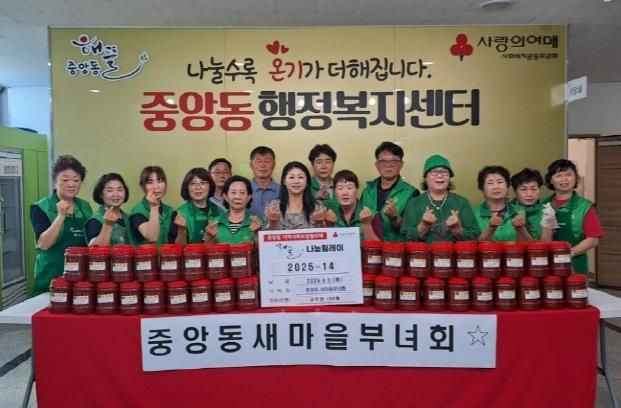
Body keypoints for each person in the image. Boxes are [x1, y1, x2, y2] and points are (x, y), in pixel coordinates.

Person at [30, 155, 92, 295]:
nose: (71, 184)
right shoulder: (41, 207)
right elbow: (44, 244)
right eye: (65, 180)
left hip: (80, 277)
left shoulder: (85, 207)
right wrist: (61, 216)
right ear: (55, 181)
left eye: (76, 180)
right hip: (50, 276)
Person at [542, 159, 604, 274]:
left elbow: (593, 239)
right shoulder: (542, 205)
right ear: (551, 180)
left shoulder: (584, 206)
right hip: (545, 266)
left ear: (576, 178)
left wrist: (568, 254)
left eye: (569, 174)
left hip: (574, 266)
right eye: (559, 175)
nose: (564, 179)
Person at [401, 155, 479, 243]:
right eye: (434, 172)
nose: (440, 175)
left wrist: (458, 230)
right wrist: (423, 226)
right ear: (425, 177)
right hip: (423, 252)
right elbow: (404, 239)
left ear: (449, 177)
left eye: (444, 172)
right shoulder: (414, 203)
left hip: (454, 252)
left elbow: (475, 238)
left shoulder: (462, 202)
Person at [360, 141, 419, 241]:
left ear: (401, 164)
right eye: (383, 161)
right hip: (369, 247)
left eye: (393, 161)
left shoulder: (411, 193)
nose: (388, 165)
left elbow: (412, 231)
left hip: (396, 248)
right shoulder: (367, 191)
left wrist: (394, 217)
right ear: (376, 165)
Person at [264, 161, 327, 230]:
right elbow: (265, 235)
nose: (296, 181)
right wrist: (273, 224)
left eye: (300, 177)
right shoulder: (273, 207)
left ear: (307, 182)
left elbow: (324, 234)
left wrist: (319, 224)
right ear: (284, 181)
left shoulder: (317, 207)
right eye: (291, 177)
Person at [473, 165, 528, 242]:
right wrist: (491, 228)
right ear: (482, 189)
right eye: (490, 183)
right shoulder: (473, 213)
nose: (496, 187)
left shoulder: (521, 211)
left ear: (507, 186)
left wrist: (520, 228)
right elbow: (473, 244)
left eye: (500, 182)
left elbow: (530, 244)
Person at [204, 175, 263, 244]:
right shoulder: (214, 223)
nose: (238, 197)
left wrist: (257, 235)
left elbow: (264, 249)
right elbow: (206, 249)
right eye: (233, 192)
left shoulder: (258, 223)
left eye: (242, 193)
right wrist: (209, 237)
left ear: (248, 197)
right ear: (225, 196)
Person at [324, 170, 380, 241]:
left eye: (349, 188)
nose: (345, 193)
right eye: (340, 188)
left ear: (356, 189)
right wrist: (329, 226)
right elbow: (323, 245)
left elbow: (377, 246)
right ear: (334, 192)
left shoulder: (371, 215)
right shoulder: (328, 215)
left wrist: (367, 224)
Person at [130, 166, 177, 245]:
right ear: (143, 186)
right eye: (150, 182)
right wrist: (154, 206)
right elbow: (152, 237)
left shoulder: (169, 210)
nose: (156, 186)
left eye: (160, 181)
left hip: (167, 253)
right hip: (147, 253)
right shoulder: (137, 212)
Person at [174, 167, 222, 244]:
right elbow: (176, 248)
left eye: (203, 183)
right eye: (193, 183)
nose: (198, 187)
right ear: (187, 187)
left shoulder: (220, 212)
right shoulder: (179, 214)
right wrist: (182, 230)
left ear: (210, 186)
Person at [84, 173, 134, 246]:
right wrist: (108, 225)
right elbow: (96, 250)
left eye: (120, 190)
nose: (116, 194)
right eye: (110, 190)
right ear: (101, 194)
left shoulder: (129, 218)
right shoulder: (95, 220)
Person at [510, 168, 545, 240]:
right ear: (515, 191)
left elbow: (546, 243)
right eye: (523, 189)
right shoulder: (507, 210)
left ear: (539, 189)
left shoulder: (546, 211)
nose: (529, 194)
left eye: (534, 189)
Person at [249, 146, 280, 217]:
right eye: (259, 161)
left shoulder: (283, 191)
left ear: (274, 165)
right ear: (251, 165)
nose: (262, 165)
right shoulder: (243, 190)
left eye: (267, 161)